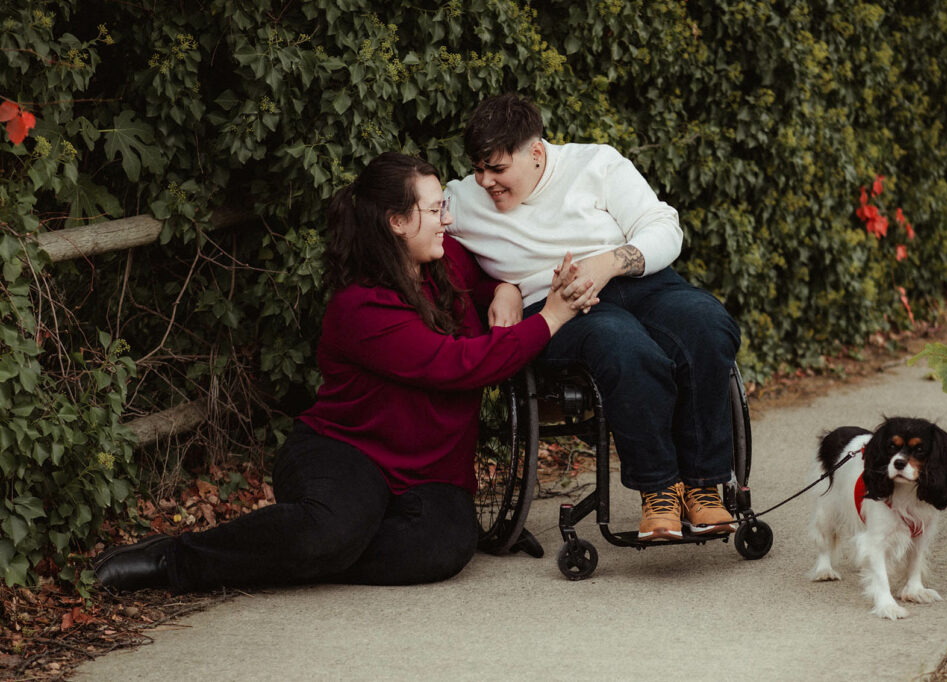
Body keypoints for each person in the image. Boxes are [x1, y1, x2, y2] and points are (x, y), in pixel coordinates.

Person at [94, 152, 597, 592]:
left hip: (431, 471)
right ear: (397, 222)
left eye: (445, 206)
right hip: (347, 451)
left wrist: (507, 286)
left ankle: (305, 554)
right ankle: (174, 558)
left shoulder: (448, 264)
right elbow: (458, 366)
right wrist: (550, 318)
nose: (446, 220)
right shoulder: (361, 308)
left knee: (441, 550)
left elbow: (493, 279)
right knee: (331, 531)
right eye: (433, 209)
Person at [445, 94, 742, 540]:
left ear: (537, 152)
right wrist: (503, 287)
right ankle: (659, 489)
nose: (486, 180)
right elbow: (441, 259)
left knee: (707, 322)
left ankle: (703, 487)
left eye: (498, 168)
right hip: (558, 305)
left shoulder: (596, 164)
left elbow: (663, 225)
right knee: (622, 345)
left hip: (638, 282)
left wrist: (608, 263)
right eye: (478, 167)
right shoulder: (460, 200)